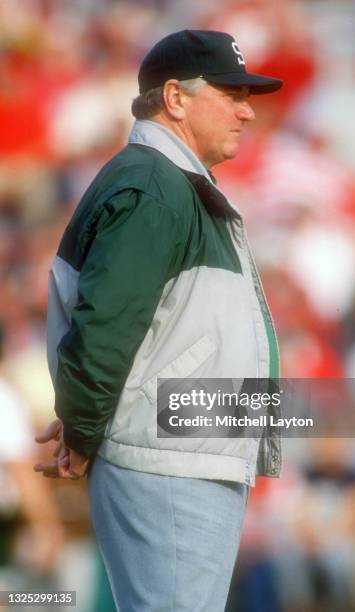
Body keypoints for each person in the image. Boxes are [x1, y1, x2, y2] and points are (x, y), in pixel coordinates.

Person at [35, 29, 283, 611]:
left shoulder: (170, 182)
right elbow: (105, 328)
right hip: (165, 459)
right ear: (175, 98)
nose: (248, 110)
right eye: (231, 93)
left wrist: (85, 422)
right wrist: (85, 425)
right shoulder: (153, 184)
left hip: (181, 452)